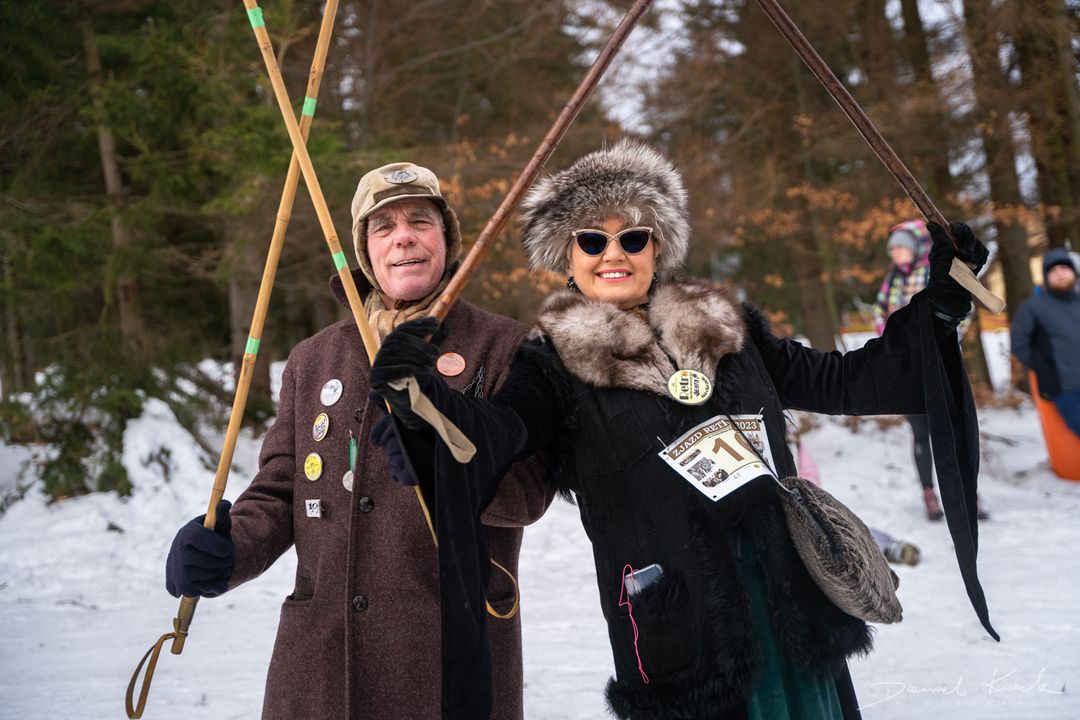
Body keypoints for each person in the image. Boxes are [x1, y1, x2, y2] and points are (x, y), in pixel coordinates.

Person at [369, 141, 997, 720]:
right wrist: (425, 401)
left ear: (658, 246)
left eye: (632, 237)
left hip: (787, 602)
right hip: (680, 624)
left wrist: (938, 306)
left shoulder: (726, 325)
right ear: (567, 255)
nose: (613, 253)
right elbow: (497, 433)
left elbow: (846, 381)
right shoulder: (550, 361)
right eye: (591, 240)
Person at [164, 162, 552, 720]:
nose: (403, 237)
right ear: (364, 251)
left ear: (447, 239)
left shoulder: (506, 347)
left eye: (421, 221)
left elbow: (530, 495)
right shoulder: (313, 358)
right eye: (383, 226)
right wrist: (229, 550)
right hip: (318, 672)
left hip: (447, 664)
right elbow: (280, 491)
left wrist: (445, 462)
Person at [873, 221, 989, 521]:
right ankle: (928, 493)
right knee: (921, 432)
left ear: (914, 249)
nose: (895, 253)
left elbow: (958, 310)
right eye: (893, 249)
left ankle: (968, 494)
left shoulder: (934, 274)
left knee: (953, 431)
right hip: (907, 365)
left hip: (940, 360)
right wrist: (890, 343)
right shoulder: (891, 281)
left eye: (901, 248)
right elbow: (880, 314)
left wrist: (943, 336)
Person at [1010, 248, 1080, 438]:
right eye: (1053, 270)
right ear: (1046, 276)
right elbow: (1019, 343)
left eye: (1064, 268)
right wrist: (1043, 367)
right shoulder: (1033, 308)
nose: (1059, 273)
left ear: (1073, 271)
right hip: (1065, 389)